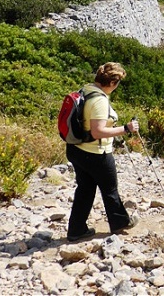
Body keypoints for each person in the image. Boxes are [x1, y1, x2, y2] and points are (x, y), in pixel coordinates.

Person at [66, 62, 139, 241]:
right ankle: (120, 223)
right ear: (113, 82)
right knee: (110, 189)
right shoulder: (99, 100)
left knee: (85, 189)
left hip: (76, 149)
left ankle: (76, 230)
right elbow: (97, 131)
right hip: (96, 153)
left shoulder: (86, 90)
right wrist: (126, 129)